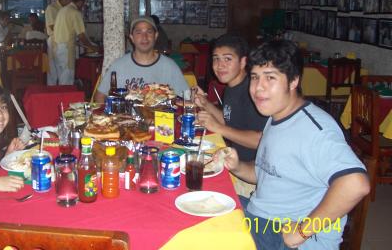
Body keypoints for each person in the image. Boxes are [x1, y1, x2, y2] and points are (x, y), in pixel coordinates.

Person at [220, 39, 369, 249]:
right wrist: (237, 166)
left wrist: (301, 232)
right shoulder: (276, 115)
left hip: (285, 235)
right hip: (262, 217)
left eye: (270, 77)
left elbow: (356, 184)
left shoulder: (315, 130)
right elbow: (268, 173)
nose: (258, 88)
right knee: (202, 204)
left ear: (293, 81)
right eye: (254, 77)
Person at [194, 34, 267, 197]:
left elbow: (261, 140)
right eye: (216, 59)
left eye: (227, 59)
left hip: (250, 176)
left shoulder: (253, 92)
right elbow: (230, 120)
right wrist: (206, 103)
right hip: (234, 162)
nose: (220, 66)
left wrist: (218, 127)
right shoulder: (231, 87)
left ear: (243, 62)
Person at [94, 17, 189, 103]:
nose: (144, 37)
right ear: (132, 38)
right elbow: (99, 97)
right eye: (139, 32)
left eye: (149, 32)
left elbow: (187, 99)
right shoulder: (118, 66)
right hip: (126, 119)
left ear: (156, 36)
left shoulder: (170, 66)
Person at [52, 0, 97, 85]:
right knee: (67, 77)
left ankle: (61, 98)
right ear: (81, 1)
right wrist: (92, 47)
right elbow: (81, 35)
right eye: (83, 3)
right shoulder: (75, 12)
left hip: (56, 47)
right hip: (66, 49)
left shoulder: (63, 10)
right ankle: (66, 99)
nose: (83, 5)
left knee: (61, 76)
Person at [45, 0, 74, 85]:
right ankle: (51, 91)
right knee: (53, 69)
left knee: (62, 68)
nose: (71, 4)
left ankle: (62, 90)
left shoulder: (67, 9)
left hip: (63, 41)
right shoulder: (51, 8)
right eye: (70, 1)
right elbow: (52, 26)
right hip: (54, 39)